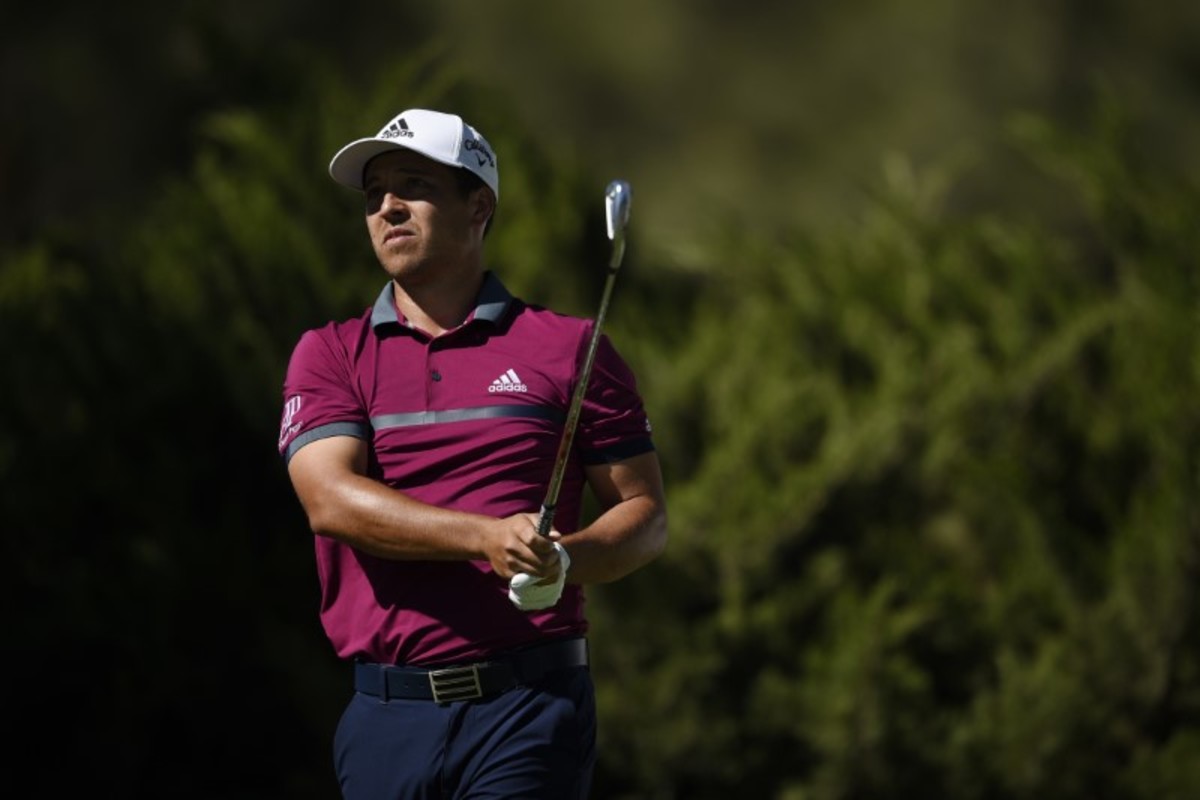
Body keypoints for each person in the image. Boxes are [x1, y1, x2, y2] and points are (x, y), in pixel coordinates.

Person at [276, 107, 668, 800]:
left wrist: (565, 560)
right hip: (385, 716)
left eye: (413, 186)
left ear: (478, 206)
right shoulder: (331, 352)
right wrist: (486, 538)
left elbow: (644, 515)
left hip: (529, 707)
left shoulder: (569, 348)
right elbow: (330, 502)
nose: (387, 207)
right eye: (374, 194)